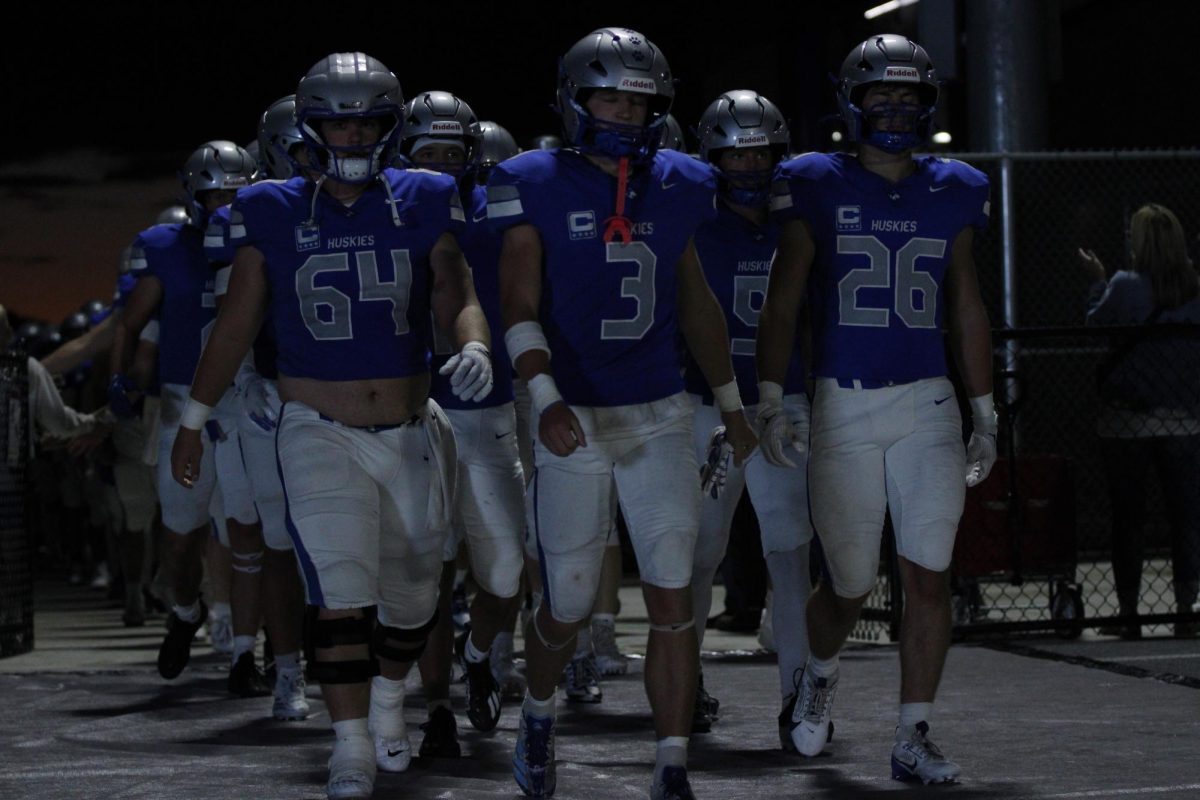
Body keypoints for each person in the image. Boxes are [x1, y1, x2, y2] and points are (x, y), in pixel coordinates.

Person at [169, 52, 491, 800]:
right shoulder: (271, 207)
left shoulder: (426, 195)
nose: (351, 135)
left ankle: (387, 697)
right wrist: (195, 417)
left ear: (391, 126)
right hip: (316, 425)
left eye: (367, 120)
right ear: (307, 128)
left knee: (414, 599)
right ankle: (347, 744)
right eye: (336, 121)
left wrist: (472, 340)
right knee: (341, 592)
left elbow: (454, 287)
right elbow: (235, 323)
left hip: (411, 427)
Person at [491, 27, 756, 800]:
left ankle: (671, 764)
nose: (625, 113)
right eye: (610, 97)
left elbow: (697, 301)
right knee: (567, 602)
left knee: (673, 594)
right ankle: (537, 713)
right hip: (571, 411)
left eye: (639, 101)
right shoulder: (531, 179)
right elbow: (516, 301)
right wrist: (541, 397)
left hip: (660, 413)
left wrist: (732, 403)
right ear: (574, 99)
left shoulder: (678, 181)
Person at [757, 34, 994, 784]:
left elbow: (965, 302)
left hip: (927, 401)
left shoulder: (955, 185)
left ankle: (912, 735)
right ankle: (819, 671)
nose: (894, 108)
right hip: (844, 404)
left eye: (908, 96)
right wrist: (772, 394)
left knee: (928, 574)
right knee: (852, 582)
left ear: (929, 105)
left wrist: (982, 409)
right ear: (851, 103)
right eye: (879, 95)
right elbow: (785, 297)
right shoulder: (815, 180)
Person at [109, 140, 265, 694]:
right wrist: (122, 379)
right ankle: (184, 609)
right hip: (182, 403)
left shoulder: (268, 232)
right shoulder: (165, 246)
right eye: (215, 194)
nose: (224, 205)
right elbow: (130, 322)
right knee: (180, 542)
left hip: (247, 398)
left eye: (234, 194)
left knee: (252, 531)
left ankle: (250, 651)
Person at [396, 89, 526, 756]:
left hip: (491, 405)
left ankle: (481, 652)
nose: (443, 165)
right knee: (427, 574)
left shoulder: (498, 209)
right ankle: (437, 708)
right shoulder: (389, 209)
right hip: (411, 413)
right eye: (430, 153)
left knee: (505, 569)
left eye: (454, 152)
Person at [685, 90, 814, 740]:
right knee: (697, 551)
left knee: (790, 549)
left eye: (759, 153)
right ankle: (685, 682)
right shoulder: (689, 219)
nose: (747, 168)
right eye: (733, 155)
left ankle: (799, 697)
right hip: (704, 402)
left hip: (778, 403)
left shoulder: (798, 223)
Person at [1080, 202, 1200, 638]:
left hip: (1128, 419)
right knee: (1185, 518)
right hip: (1184, 417)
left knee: (1128, 517)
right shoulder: (1193, 286)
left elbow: (1096, 327)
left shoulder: (1126, 285)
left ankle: (1129, 612)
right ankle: (1186, 610)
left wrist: (1097, 283)